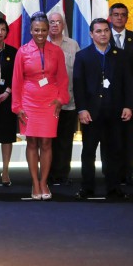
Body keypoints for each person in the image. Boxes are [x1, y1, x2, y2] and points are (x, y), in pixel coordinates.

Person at [73, 18, 133, 200]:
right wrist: (82, 109)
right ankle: (87, 187)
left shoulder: (121, 55)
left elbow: (127, 82)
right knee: (88, 152)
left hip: (114, 111)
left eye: (106, 30)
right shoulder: (82, 56)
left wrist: (128, 105)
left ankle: (113, 187)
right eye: (98, 31)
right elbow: (78, 85)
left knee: (113, 152)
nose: (103, 34)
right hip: (91, 113)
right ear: (91, 34)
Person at [12, 12, 70, 200]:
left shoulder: (57, 51)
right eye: (36, 30)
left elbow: (63, 78)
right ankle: (35, 183)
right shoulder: (22, 52)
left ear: (48, 31)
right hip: (29, 102)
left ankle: (44, 182)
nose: (40, 34)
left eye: (44, 30)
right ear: (30, 31)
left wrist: (61, 99)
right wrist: (17, 106)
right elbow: (17, 81)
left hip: (50, 103)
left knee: (46, 143)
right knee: (32, 142)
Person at [108, 2, 133, 186]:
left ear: (127, 17)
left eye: (123, 14)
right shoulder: (103, 36)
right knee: (111, 138)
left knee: (128, 139)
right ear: (110, 17)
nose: (119, 17)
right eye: (116, 14)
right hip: (109, 96)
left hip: (131, 95)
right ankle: (111, 174)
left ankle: (128, 174)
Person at [47, 11, 80, 187]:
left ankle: (63, 174)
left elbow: (78, 72)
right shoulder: (41, 43)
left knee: (65, 141)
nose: (54, 25)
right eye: (51, 22)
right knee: (48, 141)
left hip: (68, 101)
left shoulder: (73, 45)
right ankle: (48, 174)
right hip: (47, 104)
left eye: (58, 22)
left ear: (63, 25)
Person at [0, 18, 18, 187]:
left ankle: (5, 171)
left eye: (3, 29)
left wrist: (7, 92)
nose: (0, 32)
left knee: (7, 137)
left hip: (6, 99)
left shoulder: (13, 52)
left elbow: (17, 76)